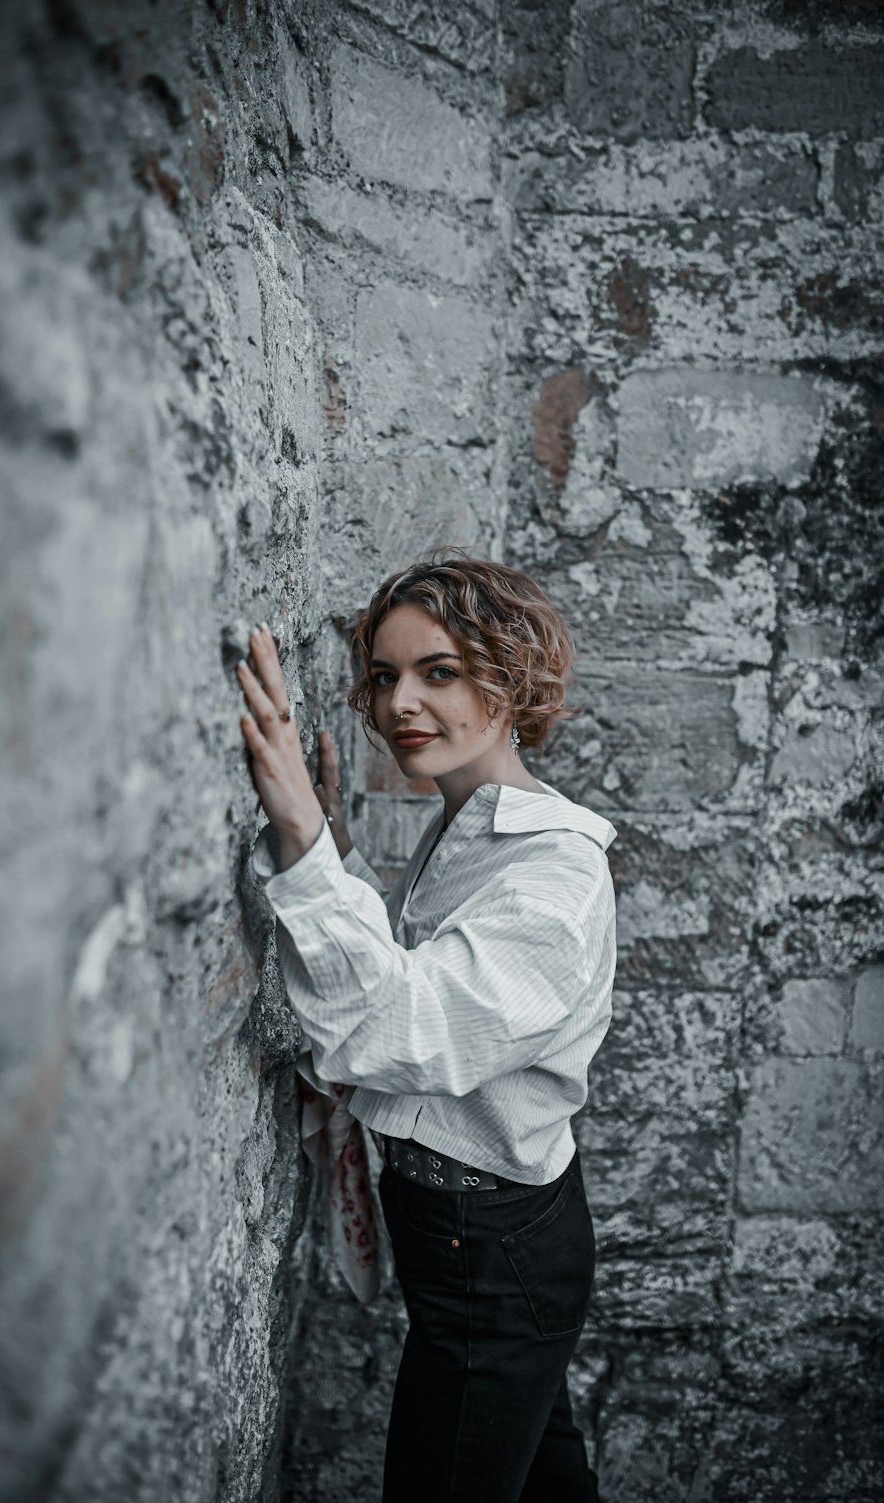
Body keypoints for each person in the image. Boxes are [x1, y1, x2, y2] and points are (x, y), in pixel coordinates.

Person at [237, 551, 616, 1503]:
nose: (401, 700)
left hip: (498, 1248)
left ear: (512, 675)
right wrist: (347, 859)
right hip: (469, 1238)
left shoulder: (555, 875)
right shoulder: (477, 824)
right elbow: (433, 973)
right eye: (384, 675)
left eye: (439, 671)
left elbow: (409, 1027)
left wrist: (303, 845)